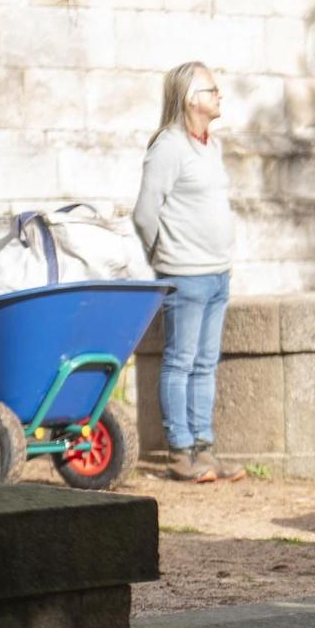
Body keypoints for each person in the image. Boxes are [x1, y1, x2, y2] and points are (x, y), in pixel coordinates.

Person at [133, 61, 245, 484]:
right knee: (180, 361)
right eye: (212, 89)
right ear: (190, 98)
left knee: (205, 362)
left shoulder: (209, 145)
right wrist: (162, 254)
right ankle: (180, 452)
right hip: (186, 272)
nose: (219, 95)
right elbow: (146, 212)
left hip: (217, 273)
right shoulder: (169, 146)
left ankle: (204, 448)